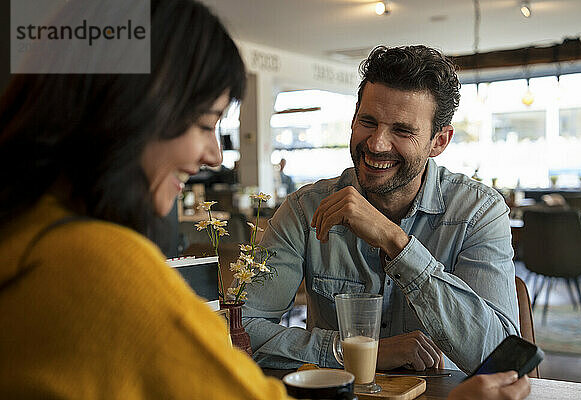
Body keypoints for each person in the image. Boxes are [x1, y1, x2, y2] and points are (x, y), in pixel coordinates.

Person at [0, 1, 289, 398]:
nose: (214, 155)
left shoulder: (22, 232)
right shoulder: (101, 265)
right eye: (205, 123)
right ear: (134, 106)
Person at [242, 45, 520, 373]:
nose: (376, 143)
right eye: (368, 122)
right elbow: (241, 332)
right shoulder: (304, 210)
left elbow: (503, 359)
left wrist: (396, 242)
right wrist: (353, 352)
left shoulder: (478, 212)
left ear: (439, 142)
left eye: (402, 130)